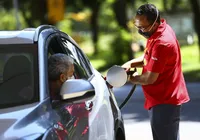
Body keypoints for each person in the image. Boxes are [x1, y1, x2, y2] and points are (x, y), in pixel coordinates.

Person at [122, 3, 190, 140]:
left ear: (155, 22)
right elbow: (149, 57)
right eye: (138, 26)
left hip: (165, 100)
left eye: (143, 27)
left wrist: (131, 78)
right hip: (160, 99)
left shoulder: (162, 42)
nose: (141, 30)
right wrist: (129, 64)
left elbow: (149, 78)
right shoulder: (159, 30)